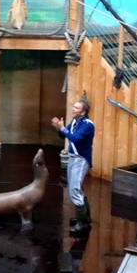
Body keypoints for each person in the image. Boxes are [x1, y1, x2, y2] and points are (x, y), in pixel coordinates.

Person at [51, 97, 95, 235]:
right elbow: (65, 136)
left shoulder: (88, 124)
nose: (73, 109)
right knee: (75, 187)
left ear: (83, 112)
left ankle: (82, 224)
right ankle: (85, 218)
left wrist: (62, 128)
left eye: (76, 108)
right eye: (73, 107)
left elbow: (75, 139)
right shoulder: (75, 121)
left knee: (74, 189)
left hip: (80, 159)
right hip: (73, 158)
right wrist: (59, 128)